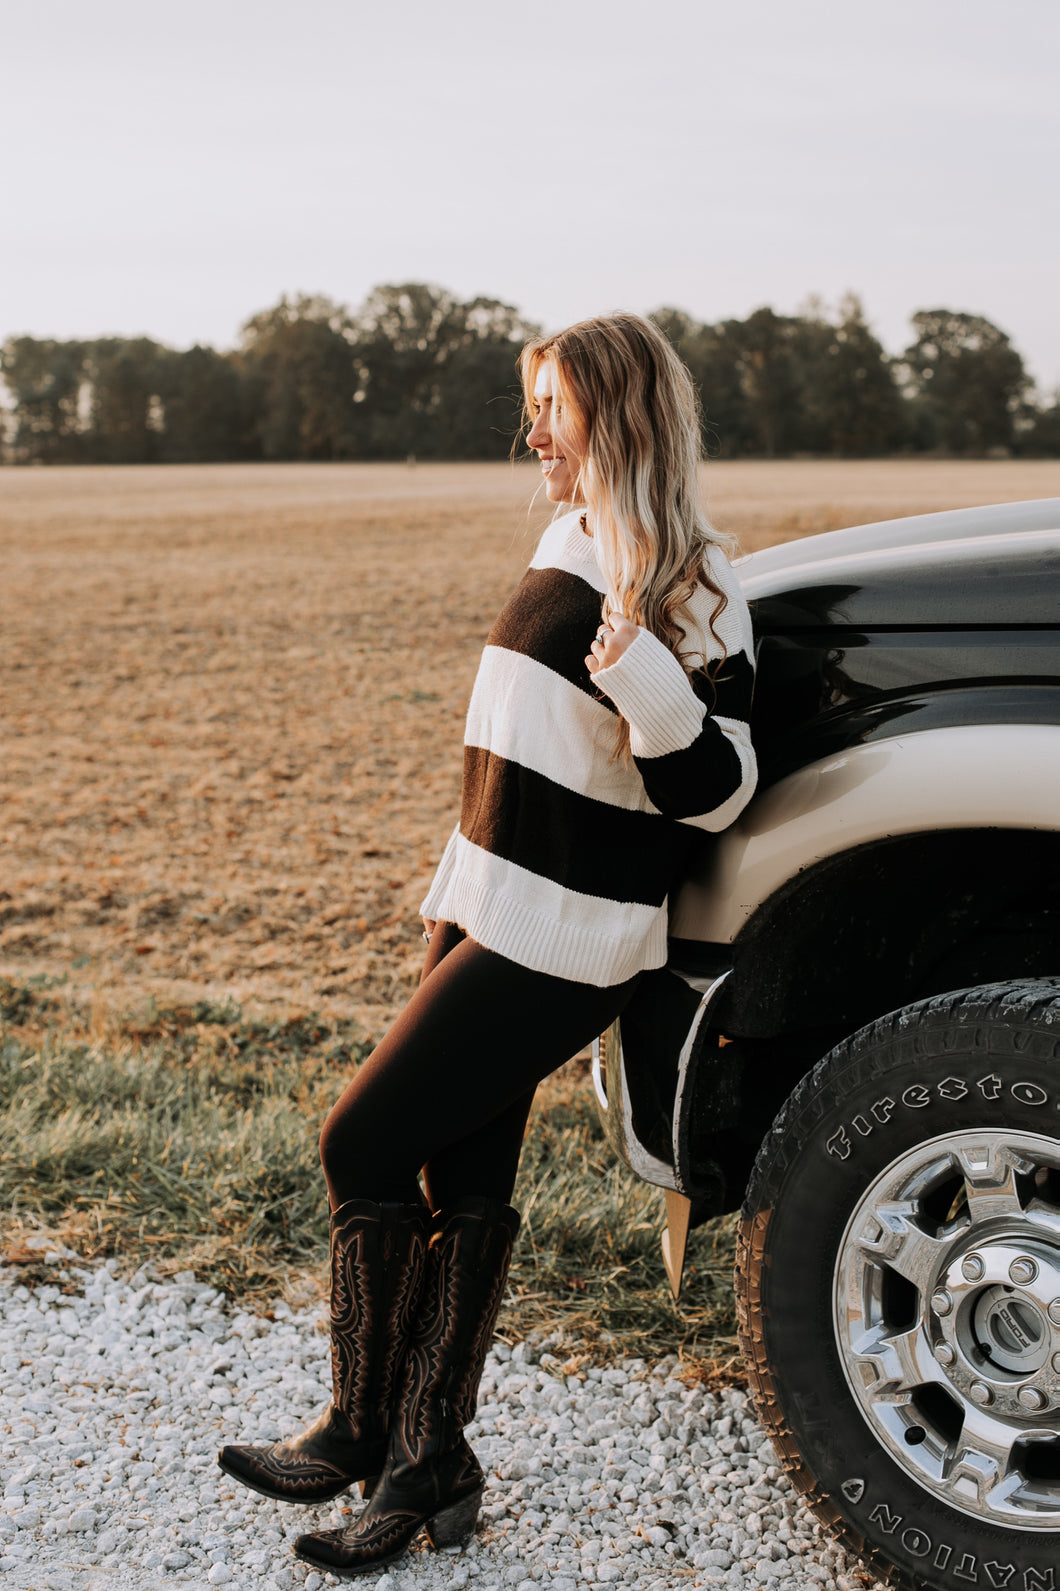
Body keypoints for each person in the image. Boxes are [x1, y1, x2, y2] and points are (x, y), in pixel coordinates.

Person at [217, 312, 758, 1577]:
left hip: (569, 937)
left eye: (553, 409)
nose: (535, 433)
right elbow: (516, 745)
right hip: (487, 904)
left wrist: (653, 684)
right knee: (464, 1180)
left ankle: (368, 1428)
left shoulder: (701, 587)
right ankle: (428, 1462)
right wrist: (452, 884)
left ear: (614, 420)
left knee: (360, 1137)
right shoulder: (568, 537)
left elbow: (721, 790)